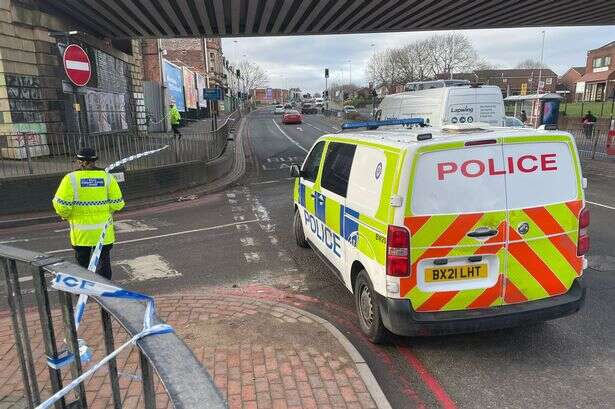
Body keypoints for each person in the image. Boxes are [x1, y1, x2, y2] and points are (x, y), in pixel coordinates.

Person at [52, 147, 124, 280]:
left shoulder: (70, 179)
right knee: (104, 265)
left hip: (81, 234)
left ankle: (84, 293)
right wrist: (107, 210)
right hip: (103, 233)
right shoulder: (107, 178)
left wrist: (65, 215)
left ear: (80, 162)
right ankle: (104, 292)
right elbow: (117, 203)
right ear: (94, 161)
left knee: (82, 266)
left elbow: (61, 205)